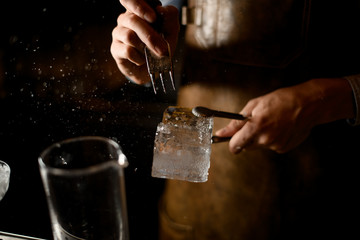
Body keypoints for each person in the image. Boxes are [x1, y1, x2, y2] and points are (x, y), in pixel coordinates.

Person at [111, 0, 360, 239]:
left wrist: (329, 99)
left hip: (308, 193)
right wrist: (140, 59)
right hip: (188, 199)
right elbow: (168, 30)